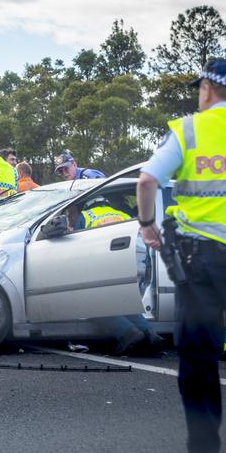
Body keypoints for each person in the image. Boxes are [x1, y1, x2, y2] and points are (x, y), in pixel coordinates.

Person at [137, 58, 226, 453]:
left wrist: (147, 224)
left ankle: (204, 445)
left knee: (199, 355)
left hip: (200, 259)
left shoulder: (190, 130)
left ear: (208, 88)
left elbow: (147, 179)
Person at [67, 198, 164, 355]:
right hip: (137, 261)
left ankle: (128, 334)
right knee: (125, 303)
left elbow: (75, 246)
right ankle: (151, 335)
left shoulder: (85, 216)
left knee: (93, 304)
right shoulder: (123, 215)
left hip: (108, 261)